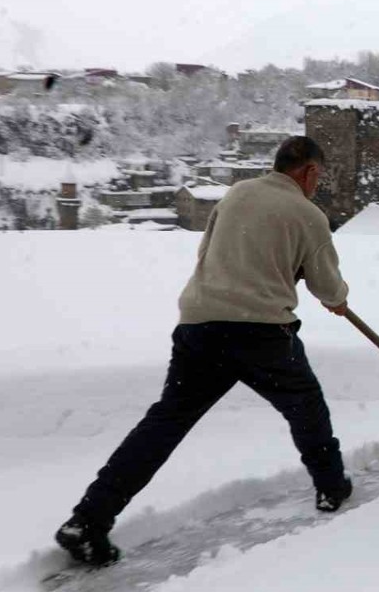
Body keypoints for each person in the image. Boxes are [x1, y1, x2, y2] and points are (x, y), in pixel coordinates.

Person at [55, 137, 353, 566]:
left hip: (200, 326)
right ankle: (331, 487)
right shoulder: (308, 215)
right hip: (261, 333)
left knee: (163, 425)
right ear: (308, 172)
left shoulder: (236, 194)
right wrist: (337, 298)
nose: (317, 186)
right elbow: (327, 286)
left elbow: (211, 254)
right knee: (306, 407)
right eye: (318, 178)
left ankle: (88, 519)